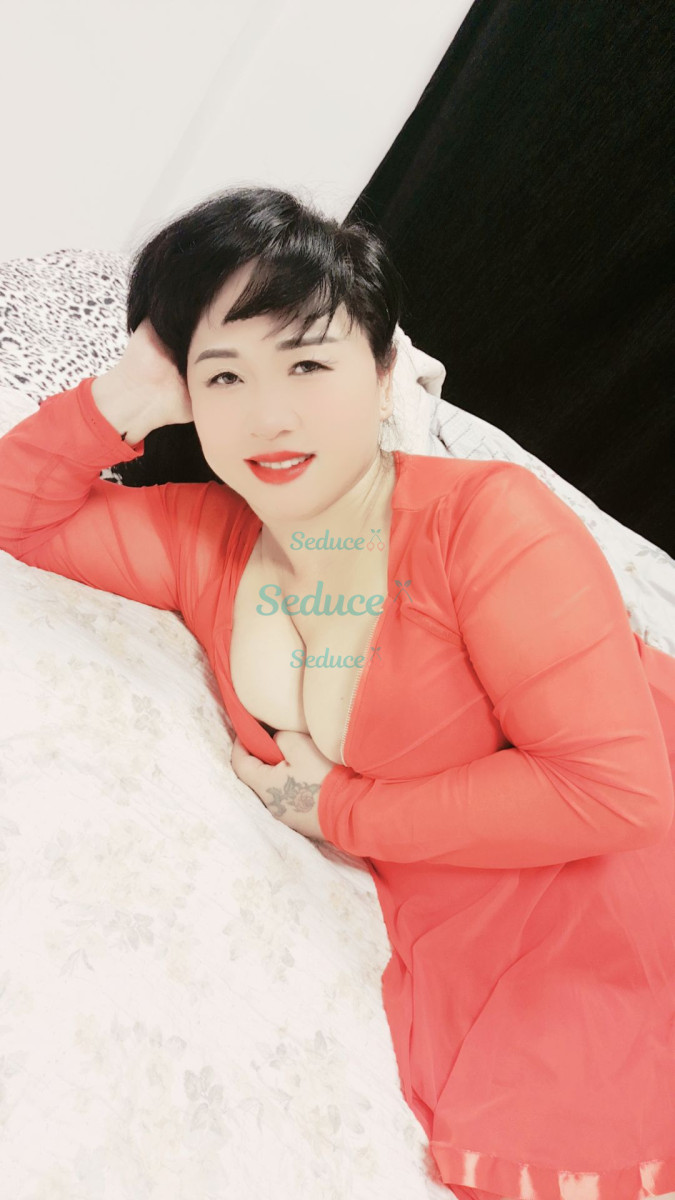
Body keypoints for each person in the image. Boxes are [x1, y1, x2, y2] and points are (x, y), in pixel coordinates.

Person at [1, 185, 674, 1200]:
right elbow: (21, 516)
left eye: (309, 364)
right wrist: (123, 397)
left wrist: (337, 809)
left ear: (385, 372)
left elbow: (615, 792)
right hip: (464, 886)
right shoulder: (203, 535)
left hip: (613, 878)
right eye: (224, 375)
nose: (269, 416)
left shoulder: (489, 522)